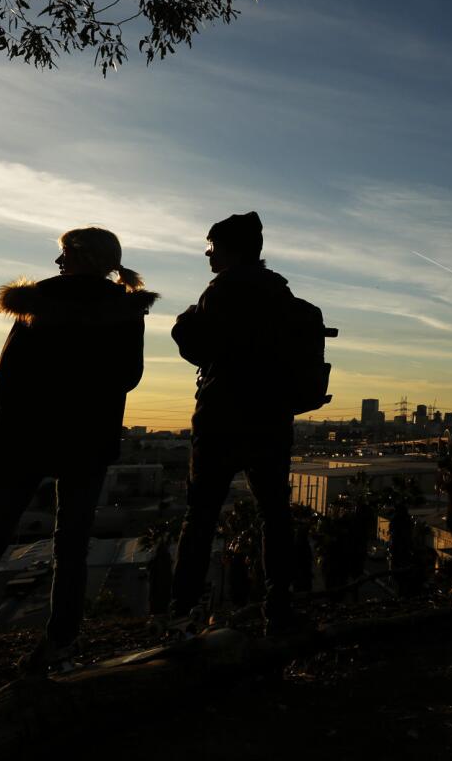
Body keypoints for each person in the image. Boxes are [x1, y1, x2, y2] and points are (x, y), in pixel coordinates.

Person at [0, 228, 156, 675]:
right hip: (86, 439)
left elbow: (7, 377)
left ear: (79, 257)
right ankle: (60, 645)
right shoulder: (126, 307)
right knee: (71, 545)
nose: (57, 263)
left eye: (63, 254)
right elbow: (128, 376)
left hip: (21, 436)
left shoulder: (39, 301)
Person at [167, 212, 298, 634]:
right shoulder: (279, 290)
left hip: (222, 415)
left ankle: (181, 612)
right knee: (275, 514)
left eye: (212, 246)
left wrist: (185, 321)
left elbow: (200, 348)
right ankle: (279, 605)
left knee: (201, 514)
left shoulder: (221, 291)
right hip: (272, 416)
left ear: (231, 249)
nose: (207, 254)